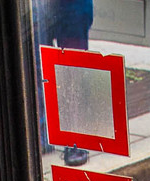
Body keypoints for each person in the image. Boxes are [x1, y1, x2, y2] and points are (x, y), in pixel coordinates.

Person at [35, 0, 94, 165]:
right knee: (36, 66)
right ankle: (41, 135)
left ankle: (76, 139)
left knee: (72, 67)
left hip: (72, 6)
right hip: (38, 6)